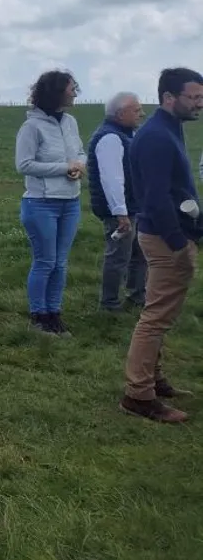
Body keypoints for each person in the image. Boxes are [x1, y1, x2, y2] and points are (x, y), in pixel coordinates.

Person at [118, 67, 203, 423]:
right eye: (194, 97)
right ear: (169, 98)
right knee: (156, 317)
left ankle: (152, 378)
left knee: (160, 313)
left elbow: (178, 190)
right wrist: (178, 241)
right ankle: (138, 395)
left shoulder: (170, 129)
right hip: (166, 237)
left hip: (174, 233)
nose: (200, 103)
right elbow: (153, 198)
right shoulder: (155, 137)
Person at [14, 69, 85, 336]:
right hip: (41, 203)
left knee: (61, 262)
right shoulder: (31, 127)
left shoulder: (70, 123)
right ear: (56, 92)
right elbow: (24, 164)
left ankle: (54, 314)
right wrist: (63, 168)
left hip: (71, 201)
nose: (75, 93)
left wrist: (79, 165)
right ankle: (38, 316)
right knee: (45, 261)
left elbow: (79, 152)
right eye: (71, 88)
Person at [86, 92, 147, 312]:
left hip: (133, 205)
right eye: (137, 110)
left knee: (139, 254)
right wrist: (120, 212)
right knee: (119, 256)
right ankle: (109, 304)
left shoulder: (126, 134)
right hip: (119, 209)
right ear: (121, 114)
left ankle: (137, 296)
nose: (142, 113)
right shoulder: (111, 138)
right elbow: (112, 178)